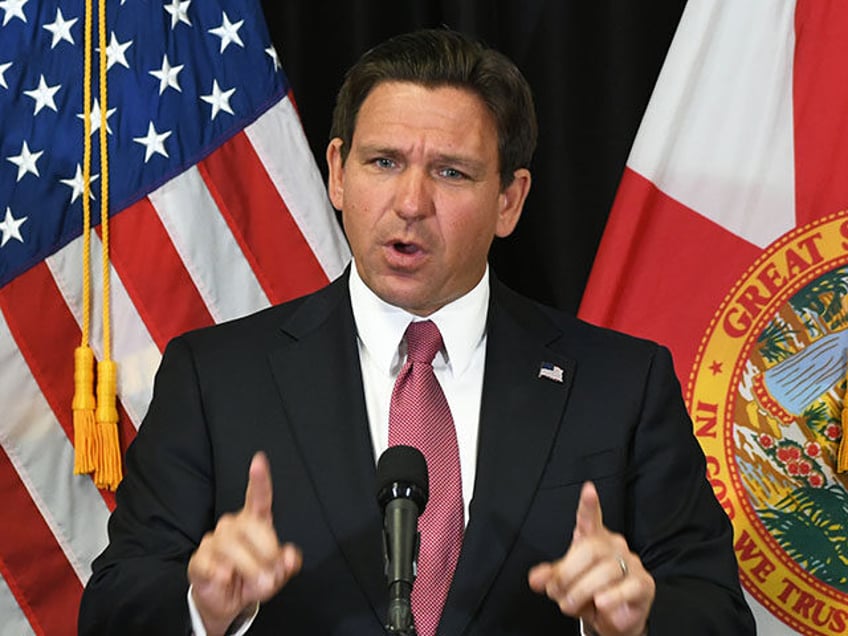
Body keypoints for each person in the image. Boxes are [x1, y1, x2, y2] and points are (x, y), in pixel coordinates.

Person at [78, 28, 756, 636]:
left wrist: (635, 621)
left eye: (450, 172)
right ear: (338, 172)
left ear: (510, 200)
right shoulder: (216, 377)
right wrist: (203, 607)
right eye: (384, 163)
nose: (410, 203)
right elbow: (111, 608)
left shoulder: (620, 384)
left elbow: (716, 611)